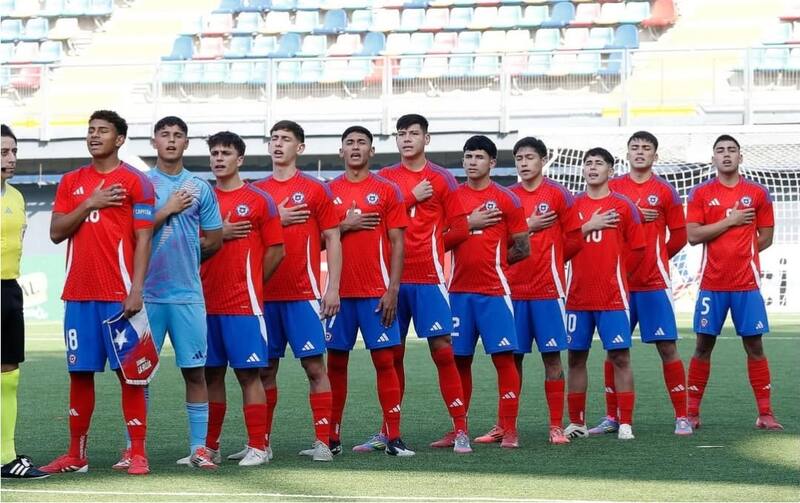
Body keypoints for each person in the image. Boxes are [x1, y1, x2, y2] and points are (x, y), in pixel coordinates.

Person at [42, 110, 155, 475]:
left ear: (119, 139)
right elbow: (57, 231)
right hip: (78, 295)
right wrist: (88, 202)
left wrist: (136, 289)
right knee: (80, 373)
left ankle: (137, 452)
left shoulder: (137, 182)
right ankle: (76, 455)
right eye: (90, 130)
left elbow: (143, 238)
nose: (94, 136)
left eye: (102, 131)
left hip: (120, 296)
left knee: (132, 375)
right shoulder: (71, 181)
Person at [368, 114, 470, 453]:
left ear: (427, 139)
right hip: (391, 280)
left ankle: (460, 430)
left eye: (414, 133)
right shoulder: (384, 178)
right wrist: (409, 197)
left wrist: (435, 249)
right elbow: (374, 221)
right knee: (390, 355)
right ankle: (388, 431)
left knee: (443, 351)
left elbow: (460, 227)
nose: (407, 139)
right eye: (401, 134)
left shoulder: (442, 178)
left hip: (428, 278)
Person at [129, 116, 222, 470]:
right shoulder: (142, 184)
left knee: (195, 372)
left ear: (186, 143)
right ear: (154, 142)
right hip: (146, 295)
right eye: (164, 135)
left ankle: (199, 448)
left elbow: (214, 238)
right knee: (138, 374)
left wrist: (188, 256)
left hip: (187, 295)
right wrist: (166, 210)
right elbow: (130, 233)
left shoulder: (200, 187)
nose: (170, 141)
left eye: (178, 136)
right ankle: (133, 449)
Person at [248, 120, 341, 462]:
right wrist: (276, 218)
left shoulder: (316, 190)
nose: (278, 144)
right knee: (264, 370)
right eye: (273, 138)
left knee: (315, 368)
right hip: (264, 297)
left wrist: (333, 287)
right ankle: (262, 443)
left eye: (285, 139)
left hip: (303, 296)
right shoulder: (256, 192)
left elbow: (332, 237)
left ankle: (322, 442)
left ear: (299, 148)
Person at [325, 125, 416, 457]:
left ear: (371, 151)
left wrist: (393, 290)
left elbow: (398, 243)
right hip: (338, 295)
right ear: (341, 151)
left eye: (361, 142)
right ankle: (331, 438)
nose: (355, 147)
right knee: (335, 363)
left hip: (376, 293)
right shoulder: (328, 191)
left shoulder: (387, 190)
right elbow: (318, 240)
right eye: (349, 142)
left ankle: (393, 437)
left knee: (385, 361)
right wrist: (344, 226)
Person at [685, 135, 782, 430]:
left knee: (755, 346)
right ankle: (691, 413)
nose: (726, 155)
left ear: (741, 157)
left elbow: (766, 236)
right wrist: (731, 222)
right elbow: (693, 236)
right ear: (712, 158)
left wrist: (745, 251)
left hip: (746, 286)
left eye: (731, 150)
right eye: (720, 151)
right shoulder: (700, 193)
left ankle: (765, 414)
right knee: (703, 346)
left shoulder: (758, 193)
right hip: (711, 285)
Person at [201, 131, 285, 467]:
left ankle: (257, 447)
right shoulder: (201, 200)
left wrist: (251, 284)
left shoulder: (259, 199)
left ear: (240, 159)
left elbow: (277, 250)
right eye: (214, 153)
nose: (219, 158)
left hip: (243, 305)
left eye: (225, 153)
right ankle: (210, 447)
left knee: (249, 375)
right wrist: (218, 234)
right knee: (211, 375)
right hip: (205, 304)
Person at [601, 131, 692, 436]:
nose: (640, 152)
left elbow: (679, 235)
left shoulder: (665, 191)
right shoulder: (613, 188)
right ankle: (612, 416)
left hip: (653, 283)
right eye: (634, 148)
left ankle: (682, 416)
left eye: (646, 148)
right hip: (619, 284)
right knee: (614, 350)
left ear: (656, 155)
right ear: (626, 154)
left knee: (667, 347)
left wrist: (656, 258)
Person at [447, 135, 530, 449]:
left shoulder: (507, 199)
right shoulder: (452, 198)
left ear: (492, 162)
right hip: (458, 293)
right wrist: (469, 223)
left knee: (503, 360)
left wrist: (496, 263)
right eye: (468, 156)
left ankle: (509, 429)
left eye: (479, 157)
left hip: (494, 292)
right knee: (459, 361)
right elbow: (440, 241)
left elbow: (522, 246)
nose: (472, 162)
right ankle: (460, 431)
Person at [563, 147, 645, 441]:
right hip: (577, 297)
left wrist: (618, 276)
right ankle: (577, 422)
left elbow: (637, 249)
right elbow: (559, 247)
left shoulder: (624, 206)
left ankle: (625, 422)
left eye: (599, 163)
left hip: (612, 298)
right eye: (588, 163)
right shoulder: (572, 205)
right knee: (575, 358)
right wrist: (589, 226)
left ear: (611, 170)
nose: (592, 168)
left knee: (620, 357)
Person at [505, 136, 582, 445]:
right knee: (512, 359)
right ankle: (507, 426)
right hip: (513, 291)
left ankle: (554, 425)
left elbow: (575, 239)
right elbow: (501, 242)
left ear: (543, 160)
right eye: (519, 158)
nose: (524, 163)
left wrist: (551, 258)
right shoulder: (508, 196)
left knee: (552, 358)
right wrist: (529, 225)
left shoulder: (559, 195)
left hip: (548, 291)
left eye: (529, 158)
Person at [0, 124, 49, 479]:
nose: (11, 159)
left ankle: (6, 457)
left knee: (9, 375)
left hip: (8, 291)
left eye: (14, 151)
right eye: (4, 152)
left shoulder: (16, 197)